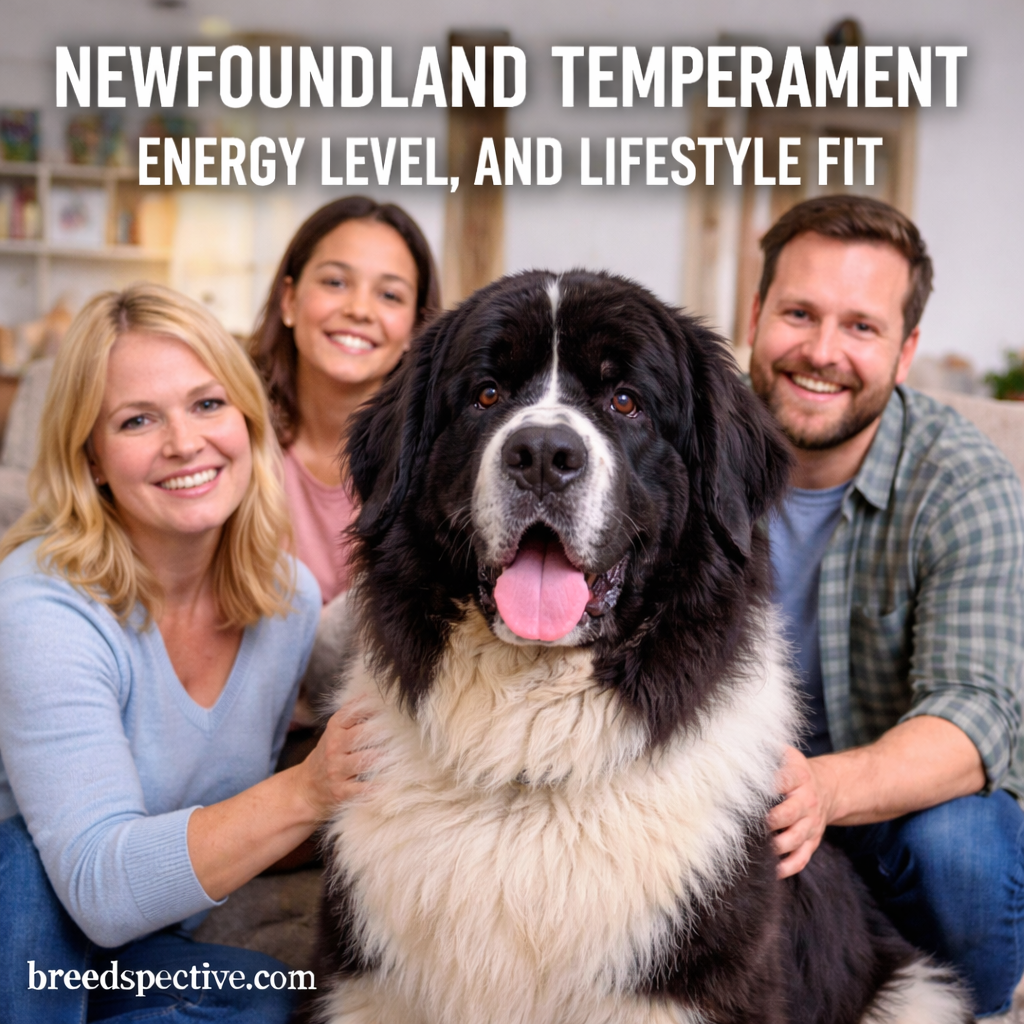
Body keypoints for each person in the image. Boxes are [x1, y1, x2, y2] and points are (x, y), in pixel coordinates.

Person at [0, 284, 373, 1023]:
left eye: (207, 404)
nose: (183, 442)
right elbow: (99, 888)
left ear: (246, 420)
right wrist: (308, 790)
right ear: (92, 459)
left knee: (269, 1002)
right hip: (30, 918)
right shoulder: (40, 604)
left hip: (134, 947)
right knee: (24, 859)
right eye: (137, 420)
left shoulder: (287, 601)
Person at [747, 194, 1024, 1016]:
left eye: (861, 327)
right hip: (714, 792)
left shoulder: (964, 484)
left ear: (905, 354)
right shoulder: (684, 442)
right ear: (756, 315)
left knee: (964, 851)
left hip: (880, 819)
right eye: (799, 313)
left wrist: (821, 790)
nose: (821, 352)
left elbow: (977, 717)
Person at [252, 196, 440, 604]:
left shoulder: (437, 469)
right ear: (289, 300)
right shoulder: (231, 436)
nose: (359, 310)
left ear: (416, 327)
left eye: (389, 295)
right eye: (336, 283)